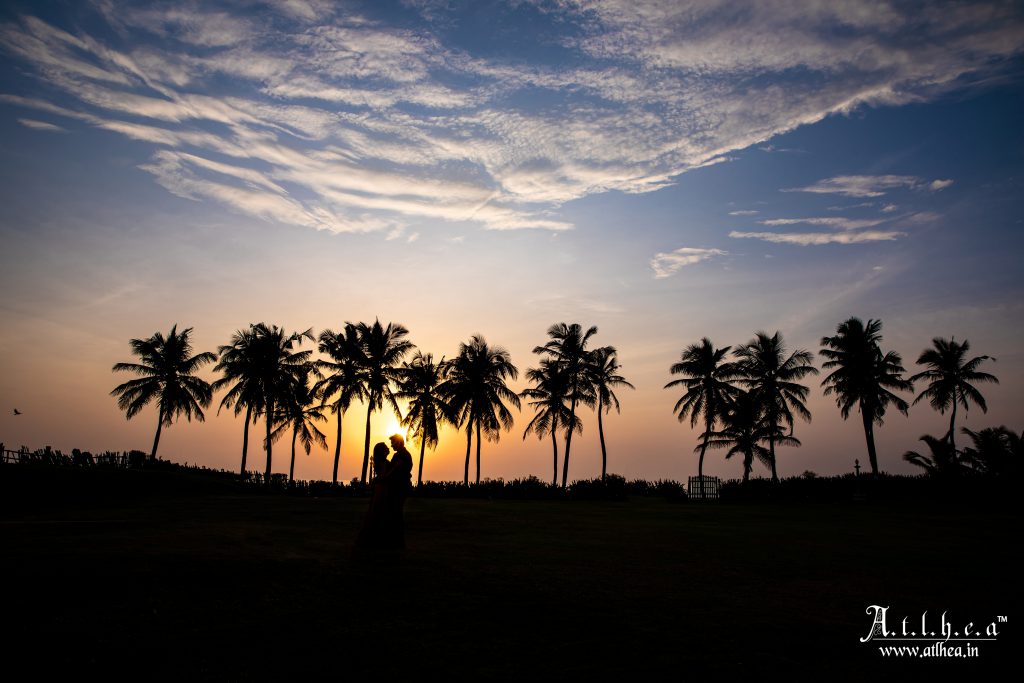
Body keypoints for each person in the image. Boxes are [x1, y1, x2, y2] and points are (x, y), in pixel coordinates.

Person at [356, 442, 392, 550]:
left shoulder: (381, 462)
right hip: (381, 490)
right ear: (382, 451)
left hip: (381, 489)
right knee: (378, 512)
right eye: (386, 448)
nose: (388, 448)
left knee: (376, 512)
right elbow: (382, 477)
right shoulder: (383, 463)